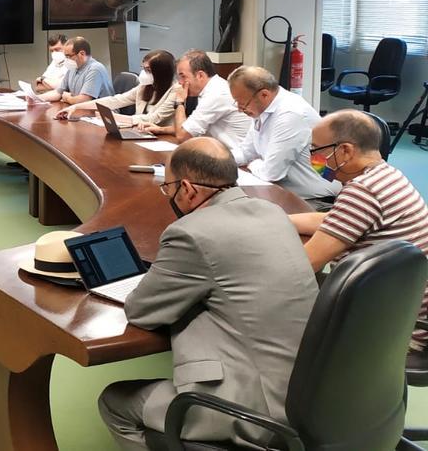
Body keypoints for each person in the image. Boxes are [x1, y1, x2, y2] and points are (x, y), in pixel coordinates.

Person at [99, 137, 318, 450]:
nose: (168, 196)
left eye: (169, 188)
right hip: (310, 395)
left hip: (255, 410)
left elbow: (140, 311)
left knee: (115, 401)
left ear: (187, 189)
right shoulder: (273, 214)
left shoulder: (190, 233)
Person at [289, 110, 428, 357]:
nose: (313, 158)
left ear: (345, 151)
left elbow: (304, 265)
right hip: (404, 305)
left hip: (400, 329)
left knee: (274, 309)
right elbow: (332, 221)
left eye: (317, 149)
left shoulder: (363, 192)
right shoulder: (385, 175)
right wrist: (279, 220)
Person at [227, 66, 340, 202]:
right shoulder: (261, 110)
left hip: (315, 199)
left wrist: (252, 164)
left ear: (264, 95)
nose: (240, 110)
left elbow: (272, 173)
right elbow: (246, 152)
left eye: (243, 104)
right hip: (285, 193)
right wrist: (219, 160)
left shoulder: (290, 114)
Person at [142, 50, 250, 153]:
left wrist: (180, 102)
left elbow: (182, 136)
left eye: (183, 76)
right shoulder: (212, 88)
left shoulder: (216, 94)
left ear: (200, 75)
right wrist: (161, 130)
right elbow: (189, 126)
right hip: (221, 153)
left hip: (237, 160)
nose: (180, 83)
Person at [56, 49, 181, 128]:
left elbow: (153, 119)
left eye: (148, 70)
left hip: (161, 141)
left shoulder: (175, 91)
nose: (143, 73)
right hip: (140, 133)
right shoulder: (145, 87)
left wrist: (115, 118)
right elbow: (116, 100)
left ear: (161, 73)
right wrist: (76, 107)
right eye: (143, 68)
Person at [39, 36, 113, 104]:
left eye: (69, 56)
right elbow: (58, 93)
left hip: (102, 114)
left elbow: (84, 100)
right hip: (83, 110)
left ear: (82, 54)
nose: (66, 60)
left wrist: (68, 98)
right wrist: (36, 98)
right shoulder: (73, 68)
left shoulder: (95, 69)